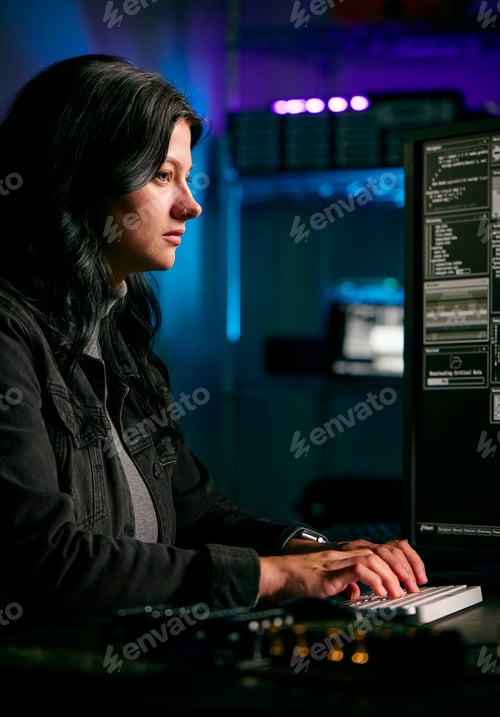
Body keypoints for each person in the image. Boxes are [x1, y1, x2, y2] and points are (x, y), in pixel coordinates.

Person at [0, 54, 427, 622]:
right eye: (162, 176)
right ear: (79, 179)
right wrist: (270, 578)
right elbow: (45, 562)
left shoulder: (118, 334)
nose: (191, 205)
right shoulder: (9, 333)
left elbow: (196, 513)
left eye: (187, 177)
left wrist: (316, 552)